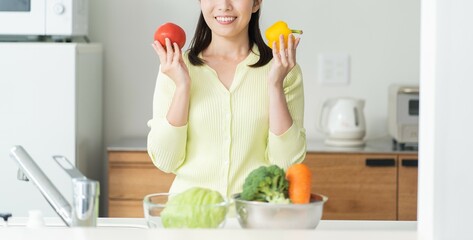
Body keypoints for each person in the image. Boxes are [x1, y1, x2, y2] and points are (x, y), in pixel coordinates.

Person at [147, 0, 306, 198]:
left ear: (256, 3)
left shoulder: (283, 70)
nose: (224, 5)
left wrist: (275, 86)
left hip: (255, 218)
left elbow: (287, 163)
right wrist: (182, 87)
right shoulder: (175, 68)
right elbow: (165, 160)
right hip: (189, 218)